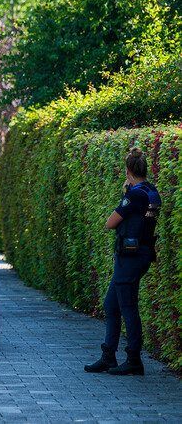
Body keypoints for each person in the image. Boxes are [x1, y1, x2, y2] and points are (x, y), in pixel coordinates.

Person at [85, 148, 161, 376]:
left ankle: (133, 359)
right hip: (140, 255)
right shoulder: (151, 191)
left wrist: (125, 194)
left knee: (128, 308)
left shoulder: (135, 195)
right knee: (112, 305)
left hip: (130, 257)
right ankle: (108, 356)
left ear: (128, 171)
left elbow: (111, 222)